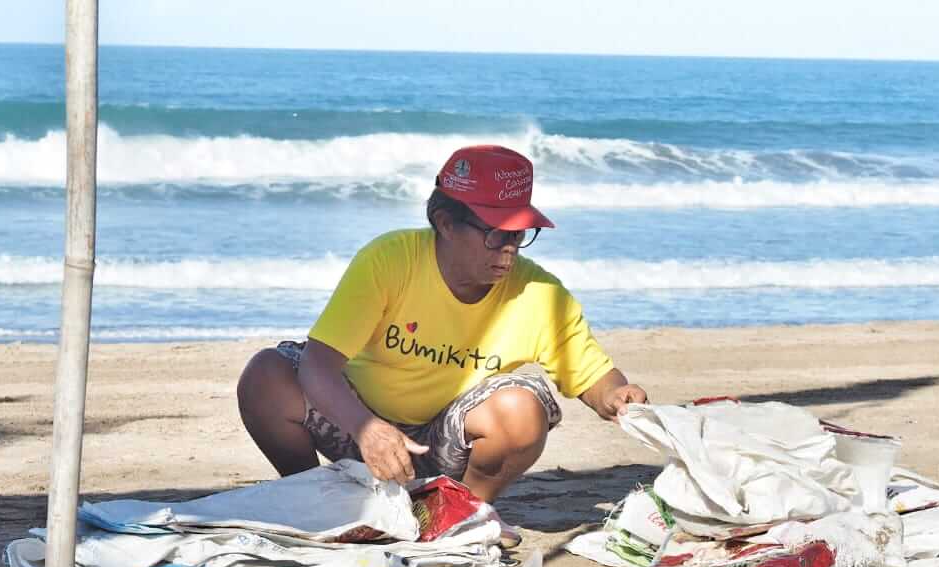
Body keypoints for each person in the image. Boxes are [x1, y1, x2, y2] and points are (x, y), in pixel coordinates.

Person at [236, 145, 647, 501]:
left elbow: (592, 374)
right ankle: (315, 495)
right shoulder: (388, 261)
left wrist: (616, 395)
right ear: (445, 223)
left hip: (447, 446)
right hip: (357, 423)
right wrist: (367, 428)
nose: (508, 250)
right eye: (495, 233)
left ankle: (462, 510)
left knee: (521, 408)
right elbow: (317, 365)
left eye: (519, 234)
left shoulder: (538, 292)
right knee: (265, 375)